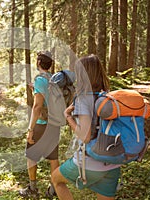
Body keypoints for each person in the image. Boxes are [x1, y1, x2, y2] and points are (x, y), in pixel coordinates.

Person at [51, 55, 121, 200]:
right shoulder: (108, 97)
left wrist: (68, 117)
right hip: (113, 164)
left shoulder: (83, 98)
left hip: (89, 162)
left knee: (56, 179)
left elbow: (86, 136)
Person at [19, 51, 59, 199]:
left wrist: (30, 129)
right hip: (54, 124)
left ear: (39, 63)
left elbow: (37, 107)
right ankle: (54, 188)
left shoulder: (40, 80)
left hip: (41, 124)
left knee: (31, 155)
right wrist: (34, 89)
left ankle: (33, 188)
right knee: (54, 157)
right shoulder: (53, 79)